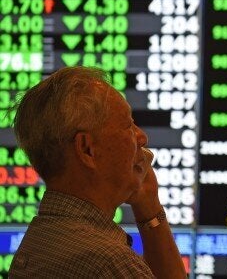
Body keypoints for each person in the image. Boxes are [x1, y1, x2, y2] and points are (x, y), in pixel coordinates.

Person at [8, 66, 186, 278]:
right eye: (128, 125)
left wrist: (148, 204)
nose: (142, 138)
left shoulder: (40, 239)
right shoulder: (110, 263)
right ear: (87, 149)